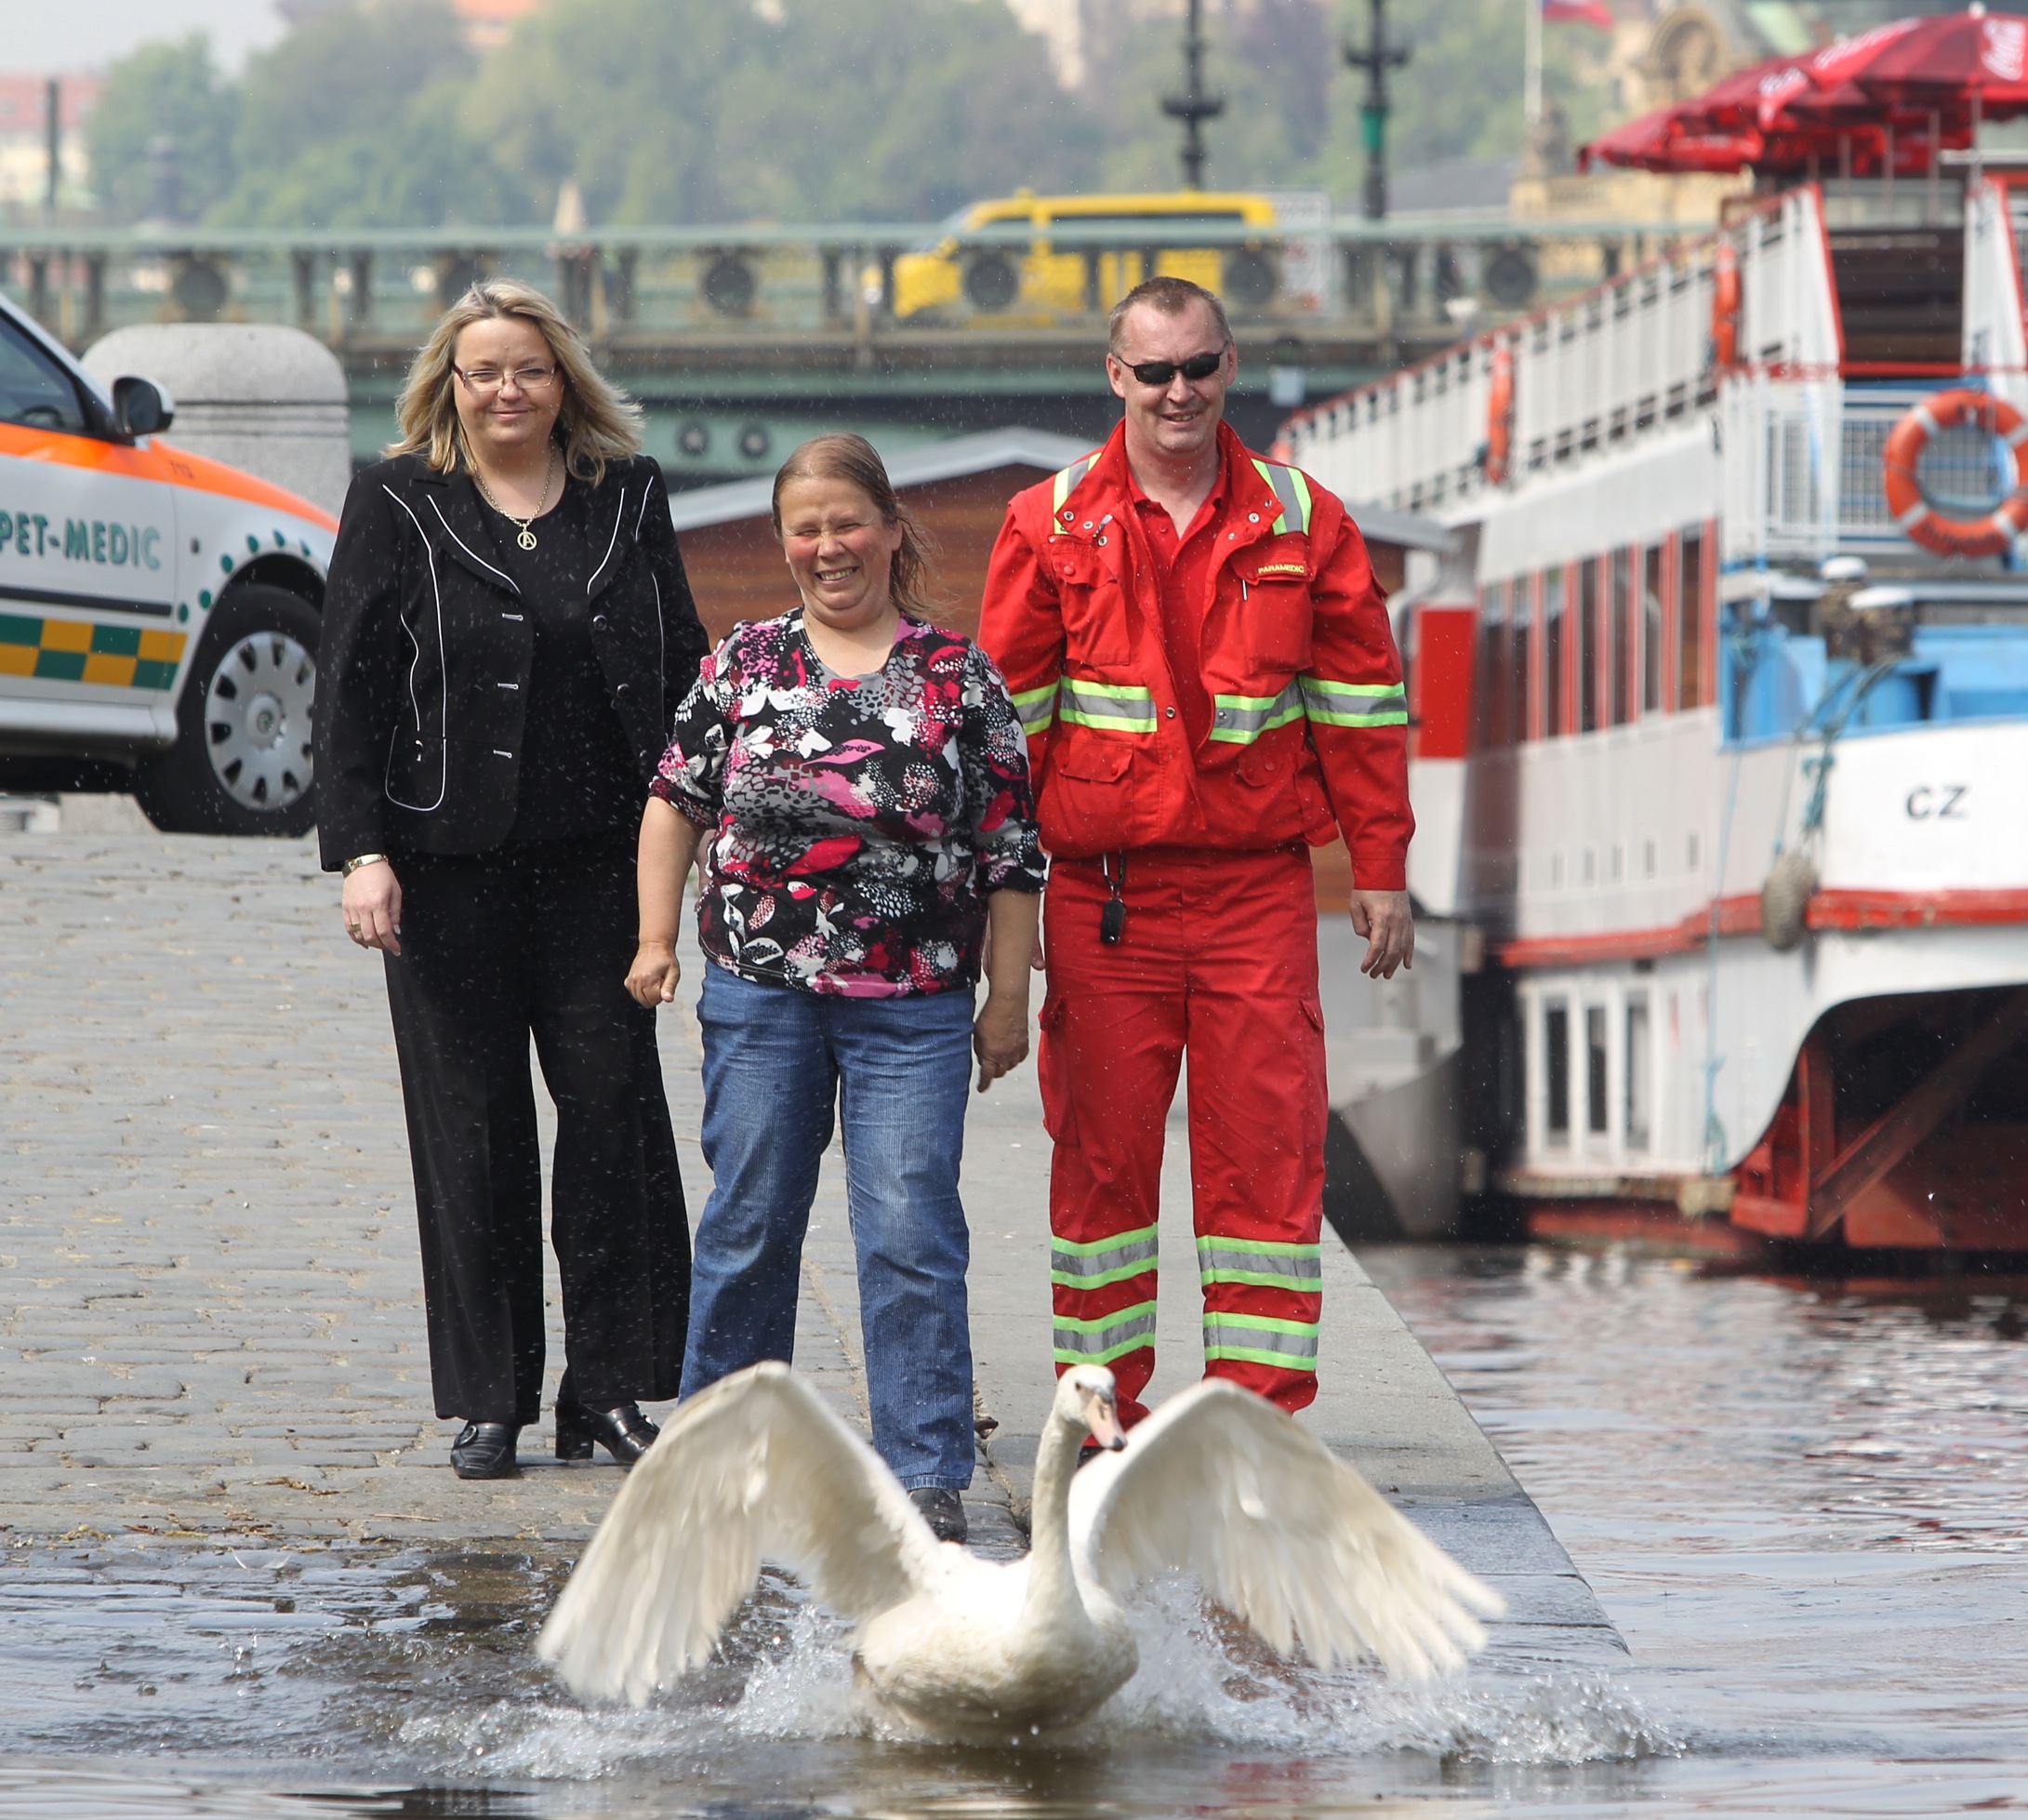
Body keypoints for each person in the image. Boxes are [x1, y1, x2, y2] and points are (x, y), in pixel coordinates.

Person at [977, 275, 1413, 1432]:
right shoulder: (1047, 523)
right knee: (1103, 1168)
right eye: (1155, 371)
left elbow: (1362, 711)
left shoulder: (1306, 522)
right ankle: (1103, 1419)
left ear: (1231, 368)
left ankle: (1255, 1426)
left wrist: (1380, 869)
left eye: (1201, 368)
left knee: (1267, 1156)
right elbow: (1000, 740)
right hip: (1102, 902)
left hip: (1254, 896)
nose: (1180, 392)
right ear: (1116, 377)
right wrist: (988, 914)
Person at [316, 280, 709, 1481]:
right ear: (449, 381)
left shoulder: (627, 493)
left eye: (527, 370)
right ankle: (490, 1397)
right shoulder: (396, 499)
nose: (505, 389)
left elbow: (685, 664)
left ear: (562, 383)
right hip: (446, 876)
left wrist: (700, 832)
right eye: (483, 370)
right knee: (472, 1133)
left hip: (600, 871)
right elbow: (349, 689)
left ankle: (607, 1388)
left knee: (613, 1124)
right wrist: (361, 852)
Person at [630, 432, 1044, 1544]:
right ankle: (721, 1454)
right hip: (761, 996)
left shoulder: (958, 678)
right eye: (804, 529)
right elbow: (675, 800)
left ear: (892, 529)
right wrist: (654, 939)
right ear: (784, 543)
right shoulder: (744, 663)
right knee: (750, 1222)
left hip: (912, 1005)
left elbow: (1010, 848)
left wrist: (1008, 1003)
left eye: (846, 522)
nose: (828, 547)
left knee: (909, 1228)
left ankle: (923, 1469)